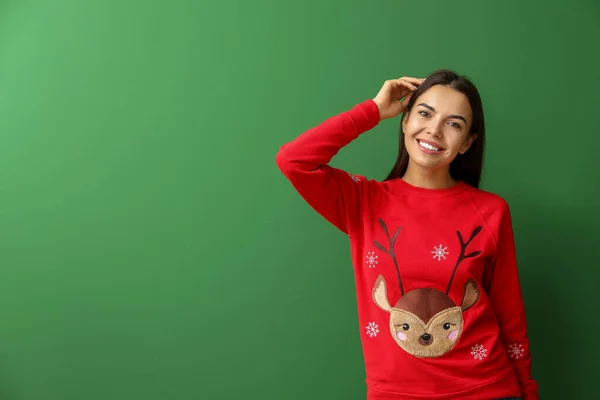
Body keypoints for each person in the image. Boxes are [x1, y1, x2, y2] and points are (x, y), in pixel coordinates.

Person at [275, 69, 538, 400]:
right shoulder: (364, 202)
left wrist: (528, 392)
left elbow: (511, 319)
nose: (435, 130)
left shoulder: (491, 211)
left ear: (467, 142)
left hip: (486, 389)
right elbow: (293, 161)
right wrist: (372, 110)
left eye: (454, 124)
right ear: (404, 120)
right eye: (425, 113)